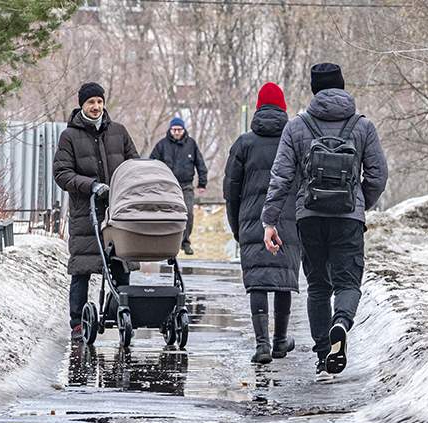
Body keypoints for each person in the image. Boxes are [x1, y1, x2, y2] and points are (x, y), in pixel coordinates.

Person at [262, 63, 388, 382]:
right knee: (347, 283)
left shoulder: (297, 127)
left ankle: (323, 359)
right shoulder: (363, 126)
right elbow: (377, 175)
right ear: (343, 87)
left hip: (311, 216)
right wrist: (359, 204)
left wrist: (270, 220)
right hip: (348, 219)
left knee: (318, 286)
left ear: (314, 89)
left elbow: (281, 177)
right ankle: (341, 324)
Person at [53, 82, 139, 339]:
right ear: (82, 105)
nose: (96, 106)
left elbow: (133, 164)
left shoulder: (119, 132)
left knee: (121, 265)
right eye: (91, 102)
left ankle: (119, 313)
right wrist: (91, 186)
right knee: (82, 269)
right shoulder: (69, 136)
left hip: (117, 211)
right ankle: (77, 323)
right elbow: (62, 173)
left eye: (99, 101)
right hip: (86, 213)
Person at [224, 83, 301, 365]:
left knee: (257, 281)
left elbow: (230, 191)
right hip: (288, 221)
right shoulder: (294, 140)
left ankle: (262, 345)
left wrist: (237, 228)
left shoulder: (244, 144)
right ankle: (281, 340)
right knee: (283, 280)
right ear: (283, 108)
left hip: (252, 221)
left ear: (258, 108)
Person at [150, 116, 207, 255]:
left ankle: (185, 242)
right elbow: (152, 163)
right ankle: (167, 243)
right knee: (166, 214)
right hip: (167, 186)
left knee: (188, 213)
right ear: (170, 130)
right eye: (174, 129)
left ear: (184, 130)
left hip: (186, 186)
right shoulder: (162, 145)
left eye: (179, 130)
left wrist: (202, 183)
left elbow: (200, 164)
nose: (176, 132)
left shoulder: (191, 144)